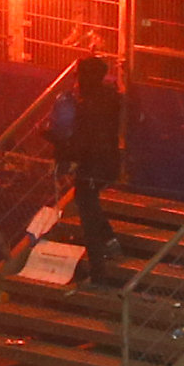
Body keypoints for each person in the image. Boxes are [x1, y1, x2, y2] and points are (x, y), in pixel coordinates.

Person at [51, 54, 126, 284]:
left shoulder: (86, 105)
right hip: (106, 162)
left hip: (91, 165)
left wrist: (60, 153)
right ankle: (110, 243)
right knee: (88, 203)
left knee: (88, 214)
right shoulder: (110, 99)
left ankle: (98, 270)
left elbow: (80, 140)